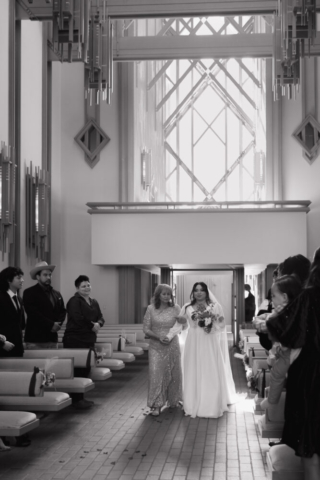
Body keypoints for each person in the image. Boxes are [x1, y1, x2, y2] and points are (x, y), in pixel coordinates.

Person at [267, 248, 320, 480]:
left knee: (312, 444)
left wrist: (268, 323)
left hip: (313, 373)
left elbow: (289, 333)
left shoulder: (308, 296)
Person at [165, 282, 237, 418]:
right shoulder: (187, 307)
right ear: (193, 292)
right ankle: (192, 403)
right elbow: (179, 325)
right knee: (193, 369)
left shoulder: (215, 306)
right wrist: (169, 336)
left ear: (206, 292)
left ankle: (211, 405)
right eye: (196, 290)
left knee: (210, 369)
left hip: (209, 341)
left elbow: (221, 325)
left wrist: (210, 325)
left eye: (202, 290)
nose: (199, 293)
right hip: (193, 342)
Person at [258, 275, 302, 408]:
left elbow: (271, 321)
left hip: (290, 351)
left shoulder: (284, 309)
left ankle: (271, 401)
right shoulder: (297, 308)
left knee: (277, 373)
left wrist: (259, 321)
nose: (271, 300)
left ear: (284, 297)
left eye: (273, 296)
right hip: (286, 349)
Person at [63, 275, 105, 409]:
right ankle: (75, 399)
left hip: (89, 339)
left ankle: (80, 397)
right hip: (75, 339)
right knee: (77, 370)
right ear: (77, 288)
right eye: (83, 286)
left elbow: (101, 317)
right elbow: (77, 318)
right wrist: (92, 326)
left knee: (86, 368)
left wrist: (98, 323)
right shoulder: (74, 301)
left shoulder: (94, 301)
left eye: (88, 285)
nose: (87, 288)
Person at [143, 284, 182, 417]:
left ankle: (174, 400)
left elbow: (181, 325)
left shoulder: (176, 308)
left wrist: (171, 335)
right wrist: (158, 337)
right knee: (156, 374)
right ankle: (156, 404)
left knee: (174, 372)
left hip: (172, 344)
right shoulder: (151, 309)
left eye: (169, 294)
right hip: (156, 346)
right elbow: (146, 329)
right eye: (164, 294)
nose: (166, 296)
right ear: (158, 295)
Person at [23, 261, 66, 348]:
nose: (48, 277)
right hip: (35, 337)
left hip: (52, 337)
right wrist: (51, 325)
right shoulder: (29, 292)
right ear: (38, 277)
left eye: (50, 275)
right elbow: (33, 313)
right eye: (45, 275)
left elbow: (62, 311)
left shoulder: (56, 293)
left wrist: (58, 324)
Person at [0, 267, 25, 358]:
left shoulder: (19, 298)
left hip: (17, 348)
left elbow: (21, 324)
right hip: (3, 348)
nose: (22, 280)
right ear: (8, 280)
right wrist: (2, 344)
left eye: (22, 277)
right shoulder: (1, 297)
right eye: (18, 278)